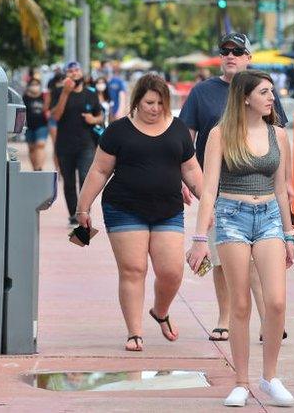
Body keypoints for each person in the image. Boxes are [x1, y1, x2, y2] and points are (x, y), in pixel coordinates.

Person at [186, 70, 294, 407]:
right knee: (240, 303)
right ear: (246, 97)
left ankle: (270, 376)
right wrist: (200, 237)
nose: (271, 98)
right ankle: (241, 381)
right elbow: (208, 191)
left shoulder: (278, 134)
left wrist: (290, 234)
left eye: (272, 93)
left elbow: (282, 189)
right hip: (231, 216)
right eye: (265, 92)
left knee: (276, 301)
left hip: (269, 220)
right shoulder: (221, 134)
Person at [76, 74, 203, 352]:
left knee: (171, 271)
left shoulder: (178, 129)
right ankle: (134, 332)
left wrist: (208, 202)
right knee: (134, 270)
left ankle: (160, 311)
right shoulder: (118, 131)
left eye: (159, 103)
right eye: (148, 102)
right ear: (137, 101)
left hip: (168, 210)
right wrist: (83, 207)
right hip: (124, 209)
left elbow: (191, 169)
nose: (154, 108)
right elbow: (99, 170)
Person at [179, 32, 292, 346]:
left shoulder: (262, 88)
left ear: (248, 57)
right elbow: (186, 141)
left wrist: (288, 184)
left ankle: (267, 320)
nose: (230, 56)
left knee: (258, 261)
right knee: (221, 260)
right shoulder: (203, 92)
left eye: (237, 51)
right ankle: (224, 317)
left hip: (263, 193)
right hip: (216, 191)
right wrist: (183, 179)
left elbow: (278, 138)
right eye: (225, 51)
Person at [51, 61, 105, 227]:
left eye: (76, 70)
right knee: (68, 181)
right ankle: (73, 215)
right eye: (70, 71)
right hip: (65, 144)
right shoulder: (59, 91)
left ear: (82, 73)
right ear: (66, 75)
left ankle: (84, 212)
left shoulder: (90, 93)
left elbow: (100, 116)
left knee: (84, 178)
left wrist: (93, 119)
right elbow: (56, 116)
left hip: (86, 144)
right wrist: (65, 94)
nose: (74, 73)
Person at [22, 78, 49, 171]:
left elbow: (48, 108)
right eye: (32, 84)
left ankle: (39, 167)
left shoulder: (44, 97)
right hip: (28, 126)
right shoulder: (24, 98)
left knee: (40, 145)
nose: (35, 87)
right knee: (32, 148)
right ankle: (35, 168)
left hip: (42, 125)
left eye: (36, 84)